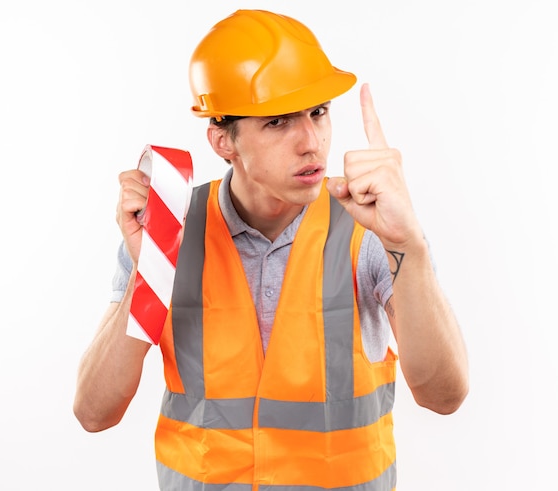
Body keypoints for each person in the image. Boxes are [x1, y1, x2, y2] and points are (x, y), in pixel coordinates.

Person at [73, 9, 469, 491]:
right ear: (224, 140)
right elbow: (94, 413)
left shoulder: (370, 229)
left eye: (319, 112)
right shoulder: (168, 232)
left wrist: (410, 247)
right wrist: (149, 269)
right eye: (279, 121)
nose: (312, 143)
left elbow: (444, 396)